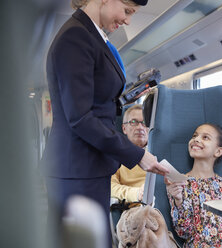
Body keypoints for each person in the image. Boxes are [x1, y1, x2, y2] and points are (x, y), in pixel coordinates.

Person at [41, 0, 168, 247]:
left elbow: (94, 103)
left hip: (87, 166)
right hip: (77, 168)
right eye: (128, 11)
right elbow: (80, 117)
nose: (128, 20)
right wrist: (137, 154)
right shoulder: (76, 37)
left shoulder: (91, 36)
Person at [111, 104, 148, 202]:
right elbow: (110, 186)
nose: (140, 127)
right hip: (135, 208)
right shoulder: (116, 155)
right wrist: (136, 193)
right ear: (124, 128)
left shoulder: (160, 151)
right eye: (134, 122)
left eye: (144, 123)